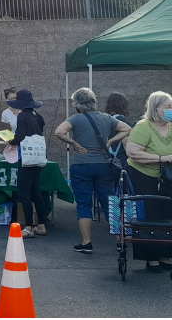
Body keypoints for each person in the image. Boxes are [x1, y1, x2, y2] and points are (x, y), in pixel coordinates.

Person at [54, 87, 131, 253]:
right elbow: (126, 129)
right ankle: (120, 240)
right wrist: (110, 142)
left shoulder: (75, 119)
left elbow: (59, 132)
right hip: (103, 164)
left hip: (81, 164)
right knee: (110, 202)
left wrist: (74, 144)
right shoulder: (107, 118)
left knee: (83, 203)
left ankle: (86, 242)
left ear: (77, 103)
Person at [124, 91, 172, 270]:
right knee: (150, 216)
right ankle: (151, 258)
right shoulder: (143, 127)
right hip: (144, 175)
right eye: (168, 107)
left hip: (169, 177)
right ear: (155, 109)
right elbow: (132, 152)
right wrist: (161, 158)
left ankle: (166, 256)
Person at [5, 89, 48, 237]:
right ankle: (41, 225)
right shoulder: (37, 116)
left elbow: (21, 136)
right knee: (35, 192)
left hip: (26, 159)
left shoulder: (22, 116)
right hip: (38, 158)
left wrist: (11, 141)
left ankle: (29, 227)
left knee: (23, 193)